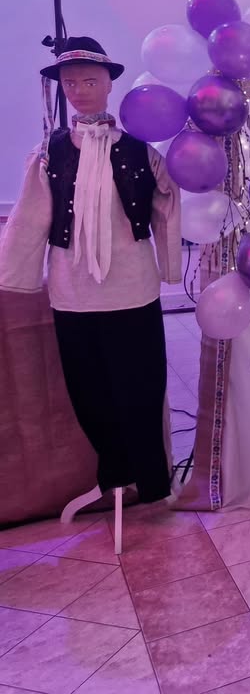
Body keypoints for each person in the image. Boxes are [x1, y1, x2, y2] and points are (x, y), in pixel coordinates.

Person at [0, 36, 181, 504]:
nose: (79, 90)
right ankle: (115, 475)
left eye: (89, 81)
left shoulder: (141, 151)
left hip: (133, 287)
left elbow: (166, 206)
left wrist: (170, 267)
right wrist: (16, 276)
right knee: (89, 390)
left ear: (108, 85)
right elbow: (31, 216)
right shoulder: (51, 152)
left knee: (142, 385)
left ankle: (152, 482)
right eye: (70, 83)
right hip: (73, 290)